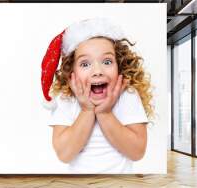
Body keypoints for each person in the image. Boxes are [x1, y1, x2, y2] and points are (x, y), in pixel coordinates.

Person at [41, 18, 153, 173]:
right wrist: (87, 110)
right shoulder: (67, 99)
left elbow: (137, 152)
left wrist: (104, 113)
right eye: (85, 64)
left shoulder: (127, 95)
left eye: (107, 62)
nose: (97, 71)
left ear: (119, 66)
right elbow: (64, 155)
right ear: (71, 72)